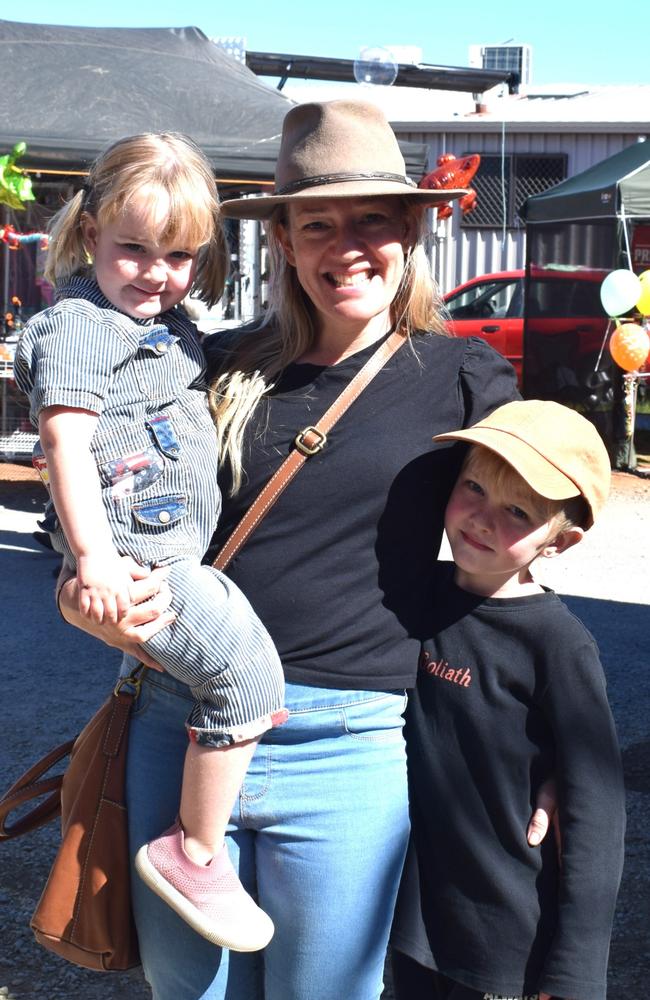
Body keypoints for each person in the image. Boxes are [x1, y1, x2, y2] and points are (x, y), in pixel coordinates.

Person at [57, 101, 551, 1000]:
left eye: (371, 219)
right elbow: (121, 501)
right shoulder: (217, 366)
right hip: (179, 723)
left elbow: (504, 571)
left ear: (411, 228)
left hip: (349, 751)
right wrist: (83, 588)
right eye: (317, 222)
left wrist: (547, 743)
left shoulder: (467, 375)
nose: (347, 244)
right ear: (283, 241)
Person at [14, 132, 286, 952]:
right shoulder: (78, 328)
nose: (156, 273)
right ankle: (195, 851)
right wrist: (93, 559)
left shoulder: (171, 325)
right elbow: (63, 443)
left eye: (179, 257)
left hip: (168, 552)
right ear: (91, 232)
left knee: (229, 673)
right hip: (142, 558)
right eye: (134, 248)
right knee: (246, 676)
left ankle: (195, 839)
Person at [391, 399, 626, 1000]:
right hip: (409, 923)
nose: (482, 518)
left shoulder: (558, 643)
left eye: (518, 509)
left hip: (503, 942)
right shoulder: (412, 595)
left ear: (562, 540)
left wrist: (575, 971)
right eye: (473, 485)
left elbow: (594, 810)